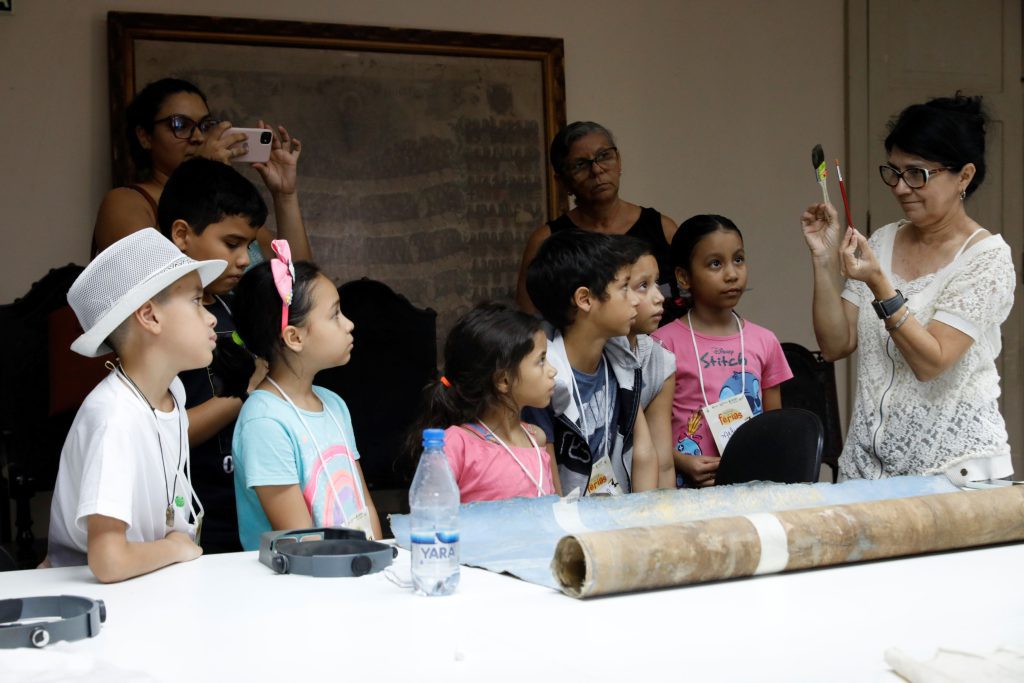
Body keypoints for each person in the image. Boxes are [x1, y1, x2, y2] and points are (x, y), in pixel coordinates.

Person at [800, 94, 1015, 483]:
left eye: (917, 174)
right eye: (894, 172)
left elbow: (931, 362)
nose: (900, 188)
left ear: (963, 176)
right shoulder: (883, 241)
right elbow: (836, 344)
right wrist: (822, 258)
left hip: (954, 474)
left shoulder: (986, 259)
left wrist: (880, 284)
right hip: (866, 474)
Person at [46, 229, 225, 582]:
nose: (212, 318)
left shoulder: (172, 392)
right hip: (92, 595)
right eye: (196, 301)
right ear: (150, 317)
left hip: (145, 582)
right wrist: (175, 546)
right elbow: (108, 561)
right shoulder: (115, 417)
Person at [231, 241, 380, 550]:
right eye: (335, 315)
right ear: (294, 337)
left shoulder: (333, 404)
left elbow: (364, 505)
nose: (350, 324)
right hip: (304, 587)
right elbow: (300, 542)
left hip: (354, 572)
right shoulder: (264, 422)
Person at [158, 157, 272, 553]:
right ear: (182, 235)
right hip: (194, 520)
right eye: (232, 244)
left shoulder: (230, 307)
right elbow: (163, 436)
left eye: (249, 245)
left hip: (245, 506)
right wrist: (246, 394)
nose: (245, 259)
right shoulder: (157, 322)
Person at [92, 77, 310, 264]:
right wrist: (201, 175)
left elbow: (299, 286)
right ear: (145, 136)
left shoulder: (230, 208)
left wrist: (285, 196)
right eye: (180, 125)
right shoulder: (125, 202)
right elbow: (154, 280)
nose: (197, 137)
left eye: (205, 126)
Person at [653, 215, 792, 487]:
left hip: (750, 487)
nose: (731, 274)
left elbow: (775, 426)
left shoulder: (765, 341)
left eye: (738, 259)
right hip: (686, 491)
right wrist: (680, 461)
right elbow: (646, 433)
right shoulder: (662, 344)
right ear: (684, 276)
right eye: (715, 264)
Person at [523, 229, 660, 496]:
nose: (635, 300)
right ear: (585, 299)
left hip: (617, 513)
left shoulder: (621, 359)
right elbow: (551, 487)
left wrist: (644, 519)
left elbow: (644, 452)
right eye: (624, 287)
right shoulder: (543, 380)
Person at [515, 121, 679, 319]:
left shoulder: (662, 228)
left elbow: (686, 301)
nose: (597, 170)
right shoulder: (547, 241)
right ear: (562, 181)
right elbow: (530, 319)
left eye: (604, 156)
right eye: (580, 165)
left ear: (618, 160)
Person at [411, 303, 560, 503]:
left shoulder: (537, 438)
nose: (553, 371)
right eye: (541, 360)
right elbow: (432, 518)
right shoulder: (455, 445)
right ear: (503, 380)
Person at [607, 237, 677, 488]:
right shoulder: (596, 354)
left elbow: (663, 461)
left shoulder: (661, 361)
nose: (659, 297)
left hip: (640, 499)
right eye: (642, 286)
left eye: (656, 283)